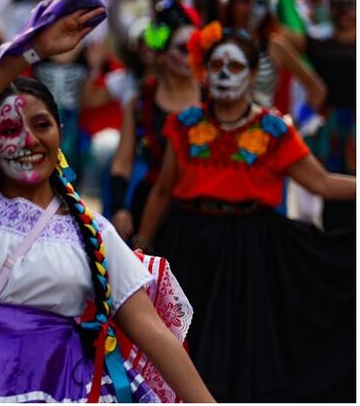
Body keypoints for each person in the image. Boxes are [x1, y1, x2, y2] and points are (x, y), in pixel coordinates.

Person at [0, 0, 214, 403]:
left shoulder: (92, 231)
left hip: (62, 389)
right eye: (10, 127)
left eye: (42, 125)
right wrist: (32, 49)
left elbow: (153, 333)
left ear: (60, 134)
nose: (28, 139)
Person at [136, 23, 355, 402]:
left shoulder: (273, 129)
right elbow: (163, 190)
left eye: (235, 66)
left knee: (244, 345)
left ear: (254, 74)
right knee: (187, 337)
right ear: (203, 70)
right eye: (216, 64)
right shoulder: (185, 123)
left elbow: (321, 184)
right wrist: (141, 244)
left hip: (251, 250)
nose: (223, 73)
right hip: (190, 243)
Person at [110, 0, 202, 238]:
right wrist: (120, 207)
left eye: (196, 47)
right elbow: (123, 161)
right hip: (150, 209)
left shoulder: (213, 98)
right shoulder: (140, 101)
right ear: (162, 55)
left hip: (202, 211)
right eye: (183, 49)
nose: (191, 56)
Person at [218, 0, 326, 111]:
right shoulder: (215, 42)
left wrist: (296, 124)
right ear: (231, 4)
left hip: (264, 130)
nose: (252, 8)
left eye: (260, 2)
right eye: (244, 0)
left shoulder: (274, 46)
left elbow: (318, 90)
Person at [306, 0, 356, 231]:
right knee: (331, 187)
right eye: (338, 7)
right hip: (333, 131)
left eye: (349, 6)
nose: (344, 12)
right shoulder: (320, 45)